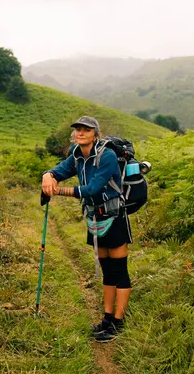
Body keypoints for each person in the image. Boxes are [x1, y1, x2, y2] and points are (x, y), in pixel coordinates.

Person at [41, 116, 133, 343]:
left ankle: (118, 323)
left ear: (95, 134)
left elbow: (92, 189)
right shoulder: (76, 155)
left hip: (115, 216)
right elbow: (60, 170)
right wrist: (48, 175)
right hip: (94, 218)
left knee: (118, 269)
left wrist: (57, 191)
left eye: (86, 129)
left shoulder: (108, 156)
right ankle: (107, 318)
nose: (80, 132)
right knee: (106, 268)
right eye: (78, 129)